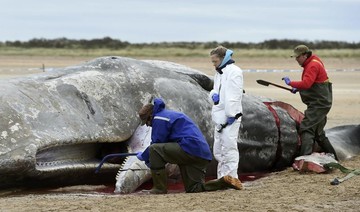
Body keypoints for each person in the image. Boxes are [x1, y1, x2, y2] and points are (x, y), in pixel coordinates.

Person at [136, 98, 242, 194]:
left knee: (154, 149)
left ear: (150, 116)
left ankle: (159, 189)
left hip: (189, 149)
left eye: (146, 122)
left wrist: (143, 156)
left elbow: (156, 144)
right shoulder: (169, 114)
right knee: (194, 188)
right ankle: (223, 182)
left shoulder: (159, 118)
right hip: (201, 154)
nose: (147, 125)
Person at [282, 44, 338, 160]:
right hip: (322, 102)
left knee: (306, 128)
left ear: (305, 55)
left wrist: (291, 83)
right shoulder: (314, 61)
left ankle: (305, 159)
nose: (296, 59)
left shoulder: (312, 65)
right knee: (319, 133)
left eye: (298, 57)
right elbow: (311, 83)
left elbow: (307, 83)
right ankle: (334, 157)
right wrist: (298, 88)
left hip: (319, 104)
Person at [209, 46, 243, 179]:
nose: (213, 64)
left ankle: (231, 177)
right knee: (219, 149)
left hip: (230, 116)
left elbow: (234, 95)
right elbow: (216, 88)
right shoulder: (219, 72)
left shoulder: (235, 72)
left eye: (215, 61)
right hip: (219, 115)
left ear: (223, 59)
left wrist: (232, 114)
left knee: (229, 148)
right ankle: (222, 177)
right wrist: (213, 95)